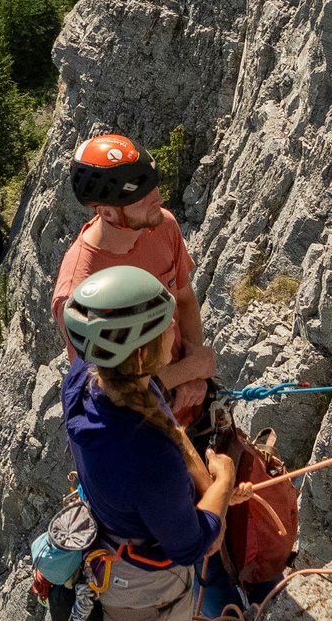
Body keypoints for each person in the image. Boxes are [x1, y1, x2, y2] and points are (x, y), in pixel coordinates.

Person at [52, 263, 235, 621]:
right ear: (141, 351)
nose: (173, 331)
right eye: (164, 328)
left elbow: (149, 400)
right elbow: (196, 542)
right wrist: (222, 482)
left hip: (94, 545)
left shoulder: (81, 382)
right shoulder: (147, 453)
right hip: (142, 580)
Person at [51, 132, 215, 424]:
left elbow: (185, 301)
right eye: (142, 195)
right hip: (142, 424)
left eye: (154, 186)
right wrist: (191, 370)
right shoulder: (79, 291)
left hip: (191, 402)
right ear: (109, 214)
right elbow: (112, 390)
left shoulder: (163, 227)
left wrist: (195, 375)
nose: (159, 198)